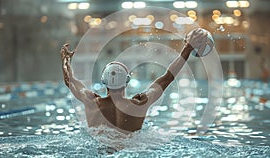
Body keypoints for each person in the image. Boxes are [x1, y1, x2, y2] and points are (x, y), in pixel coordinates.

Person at [60, 28, 207, 133]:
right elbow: (167, 77)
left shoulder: (91, 102)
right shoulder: (139, 104)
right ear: (127, 81)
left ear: (104, 82)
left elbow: (70, 81)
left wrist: (65, 61)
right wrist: (187, 49)